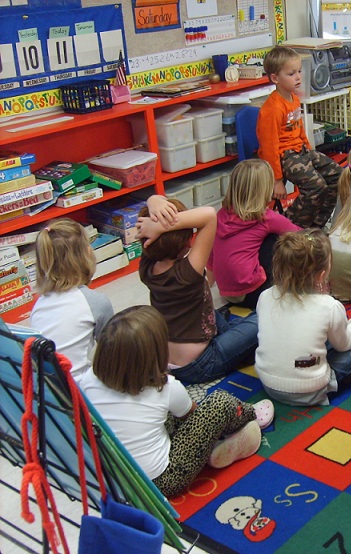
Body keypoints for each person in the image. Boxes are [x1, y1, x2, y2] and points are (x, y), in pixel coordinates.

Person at [79, 306, 274, 498]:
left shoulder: (88, 379)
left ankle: (219, 445)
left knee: (161, 414)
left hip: (113, 478)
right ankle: (249, 415)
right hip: (163, 480)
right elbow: (194, 415)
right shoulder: (165, 387)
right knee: (218, 404)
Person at [137, 196, 259, 384]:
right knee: (262, 317)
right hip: (201, 364)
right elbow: (209, 215)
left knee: (227, 319)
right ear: (185, 242)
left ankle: (243, 350)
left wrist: (153, 201)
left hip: (172, 358)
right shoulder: (187, 271)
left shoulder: (147, 266)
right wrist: (164, 225)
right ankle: (244, 352)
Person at [255, 229, 351, 406]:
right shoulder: (329, 305)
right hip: (310, 391)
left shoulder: (265, 296)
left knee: (318, 334)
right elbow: (344, 344)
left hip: (268, 383)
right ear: (322, 274)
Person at [257, 45, 342, 229]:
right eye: (291, 73)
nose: (298, 77)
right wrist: (277, 180)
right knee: (317, 186)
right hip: (284, 155)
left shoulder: (294, 98)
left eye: (299, 71)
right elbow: (269, 146)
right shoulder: (272, 109)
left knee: (338, 175)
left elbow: (299, 128)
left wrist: (310, 151)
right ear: (275, 78)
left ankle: (317, 225)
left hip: (301, 151)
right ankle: (291, 226)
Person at [208, 159, 300, 309]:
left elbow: (212, 255)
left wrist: (207, 289)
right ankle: (286, 292)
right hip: (254, 294)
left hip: (226, 292)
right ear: (265, 189)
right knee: (276, 239)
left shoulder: (221, 214)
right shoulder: (265, 217)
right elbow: (298, 234)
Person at [31, 219, 113, 382]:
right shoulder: (95, 302)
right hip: (79, 391)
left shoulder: (39, 305)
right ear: (87, 255)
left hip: (47, 388)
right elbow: (115, 352)